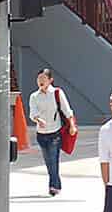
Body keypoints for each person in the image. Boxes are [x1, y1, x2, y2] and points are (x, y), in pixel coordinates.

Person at [29, 68, 77, 196]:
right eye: (39, 79)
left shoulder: (57, 93)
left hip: (55, 133)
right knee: (48, 161)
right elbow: (32, 113)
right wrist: (38, 119)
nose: (41, 81)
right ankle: (56, 183)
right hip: (41, 134)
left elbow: (67, 110)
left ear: (50, 80)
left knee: (53, 159)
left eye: (44, 79)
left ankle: (53, 186)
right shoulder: (34, 96)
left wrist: (72, 126)